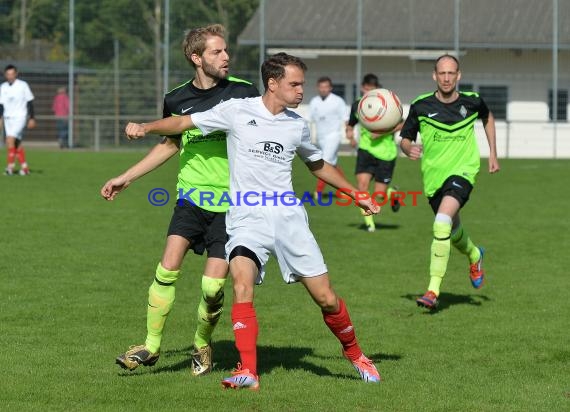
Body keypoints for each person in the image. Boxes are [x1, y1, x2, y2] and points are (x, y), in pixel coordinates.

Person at [125, 53, 382, 389]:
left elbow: (317, 165)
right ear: (273, 83)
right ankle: (248, 370)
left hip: (288, 218)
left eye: (302, 84)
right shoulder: (237, 111)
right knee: (241, 286)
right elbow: (183, 123)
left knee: (326, 298)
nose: (301, 90)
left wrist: (355, 193)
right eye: (294, 83)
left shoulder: (296, 125)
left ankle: (356, 353)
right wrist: (146, 127)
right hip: (246, 217)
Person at [100, 24, 259, 375]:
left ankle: (202, 344)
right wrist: (126, 177)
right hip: (190, 199)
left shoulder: (244, 92)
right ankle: (151, 346)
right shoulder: (175, 98)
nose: (226, 57)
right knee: (167, 267)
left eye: (226, 50)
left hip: (233, 205)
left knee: (213, 286)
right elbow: (171, 144)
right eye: (217, 52)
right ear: (196, 57)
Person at [399, 54, 500, 310]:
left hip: (463, 172)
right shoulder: (421, 106)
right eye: (442, 73)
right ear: (434, 75)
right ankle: (475, 255)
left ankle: (433, 290)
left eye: (451, 73)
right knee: (452, 232)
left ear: (459, 76)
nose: (446, 78)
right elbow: (405, 137)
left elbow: (488, 118)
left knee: (441, 222)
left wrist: (493, 154)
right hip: (433, 178)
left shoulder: (473, 101)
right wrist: (407, 148)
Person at [346, 74, 402, 232]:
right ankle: (369, 224)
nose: (369, 91)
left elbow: (401, 124)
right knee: (362, 188)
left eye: (372, 89)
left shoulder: (387, 103)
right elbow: (351, 123)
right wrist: (349, 134)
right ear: (363, 88)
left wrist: (382, 133)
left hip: (386, 153)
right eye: (366, 88)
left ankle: (392, 194)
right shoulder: (357, 105)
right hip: (365, 151)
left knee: (379, 195)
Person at [308, 76, 348, 198]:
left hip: (333, 136)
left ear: (330, 88)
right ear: (318, 88)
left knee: (324, 162)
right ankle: (346, 191)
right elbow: (310, 120)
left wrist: (349, 134)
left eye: (326, 87)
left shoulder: (338, 101)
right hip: (321, 138)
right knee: (332, 164)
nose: (323, 89)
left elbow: (345, 118)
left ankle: (318, 192)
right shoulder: (314, 101)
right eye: (321, 87)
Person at [0, 64, 36, 175]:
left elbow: (30, 102)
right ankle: (25, 168)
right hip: (7, 118)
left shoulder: (23, 85)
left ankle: (10, 168)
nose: (10, 76)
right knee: (17, 143)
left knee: (9, 140)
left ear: (16, 74)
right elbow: (1, 105)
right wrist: (0, 118)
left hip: (20, 117)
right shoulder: (3, 87)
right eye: (8, 74)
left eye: (12, 74)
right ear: (5, 75)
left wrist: (32, 118)